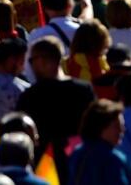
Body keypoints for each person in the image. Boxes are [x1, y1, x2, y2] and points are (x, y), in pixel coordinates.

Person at [17, 38, 96, 181]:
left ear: (42, 61)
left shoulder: (31, 96)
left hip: (43, 167)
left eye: (31, 61)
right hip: (80, 163)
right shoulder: (84, 90)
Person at [67, 100, 131, 185]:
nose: (122, 130)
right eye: (117, 126)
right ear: (101, 127)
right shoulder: (114, 159)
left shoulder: (77, 153)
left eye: (122, 126)